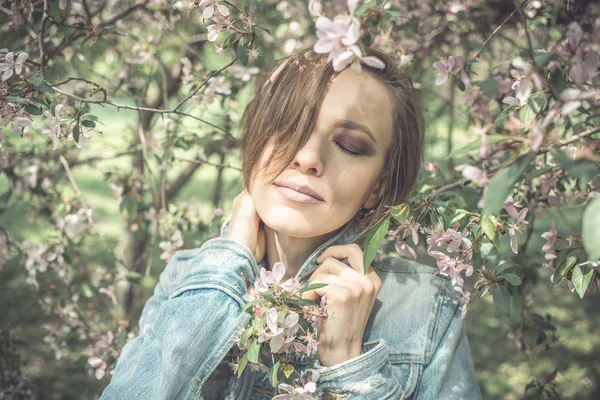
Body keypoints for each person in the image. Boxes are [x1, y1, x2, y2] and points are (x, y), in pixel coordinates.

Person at [100, 46, 482, 399]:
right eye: (287, 126)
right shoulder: (187, 275)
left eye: (349, 145)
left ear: (377, 187)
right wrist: (221, 278)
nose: (307, 156)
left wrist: (349, 366)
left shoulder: (426, 308)